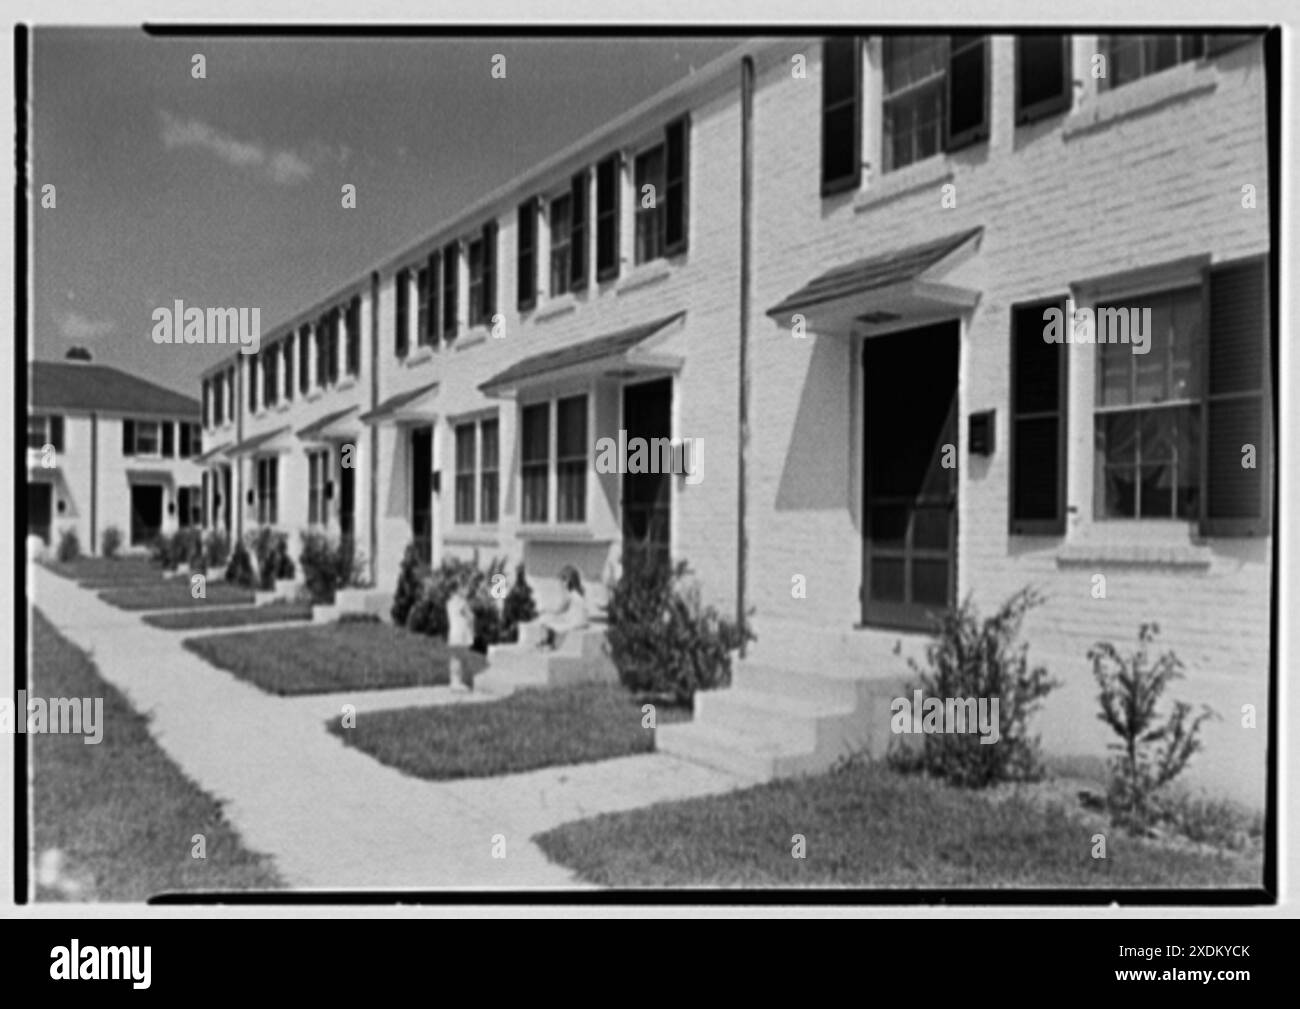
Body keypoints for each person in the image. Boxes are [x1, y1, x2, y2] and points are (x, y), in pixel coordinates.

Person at [537, 565, 589, 649]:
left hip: (574, 621)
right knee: (550, 623)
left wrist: (546, 610)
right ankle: (548, 642)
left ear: (570, 581)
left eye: (564, 580)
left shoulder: (570, 595)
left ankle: (550, 644)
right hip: (580, 620)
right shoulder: (579, 593)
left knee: (548, 624)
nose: (561, 583)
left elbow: (560, 610)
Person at [445, 577, 476, 692]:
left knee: (454, 658)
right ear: (457, 589)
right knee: (460, 658)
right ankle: (458, 682)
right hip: (462, 634)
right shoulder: (462, 602)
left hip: (453, 633)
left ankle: (454, 681)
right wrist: (473, 630)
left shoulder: (449, 602)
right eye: (463, 587)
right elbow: (470, 617)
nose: (466, 590)